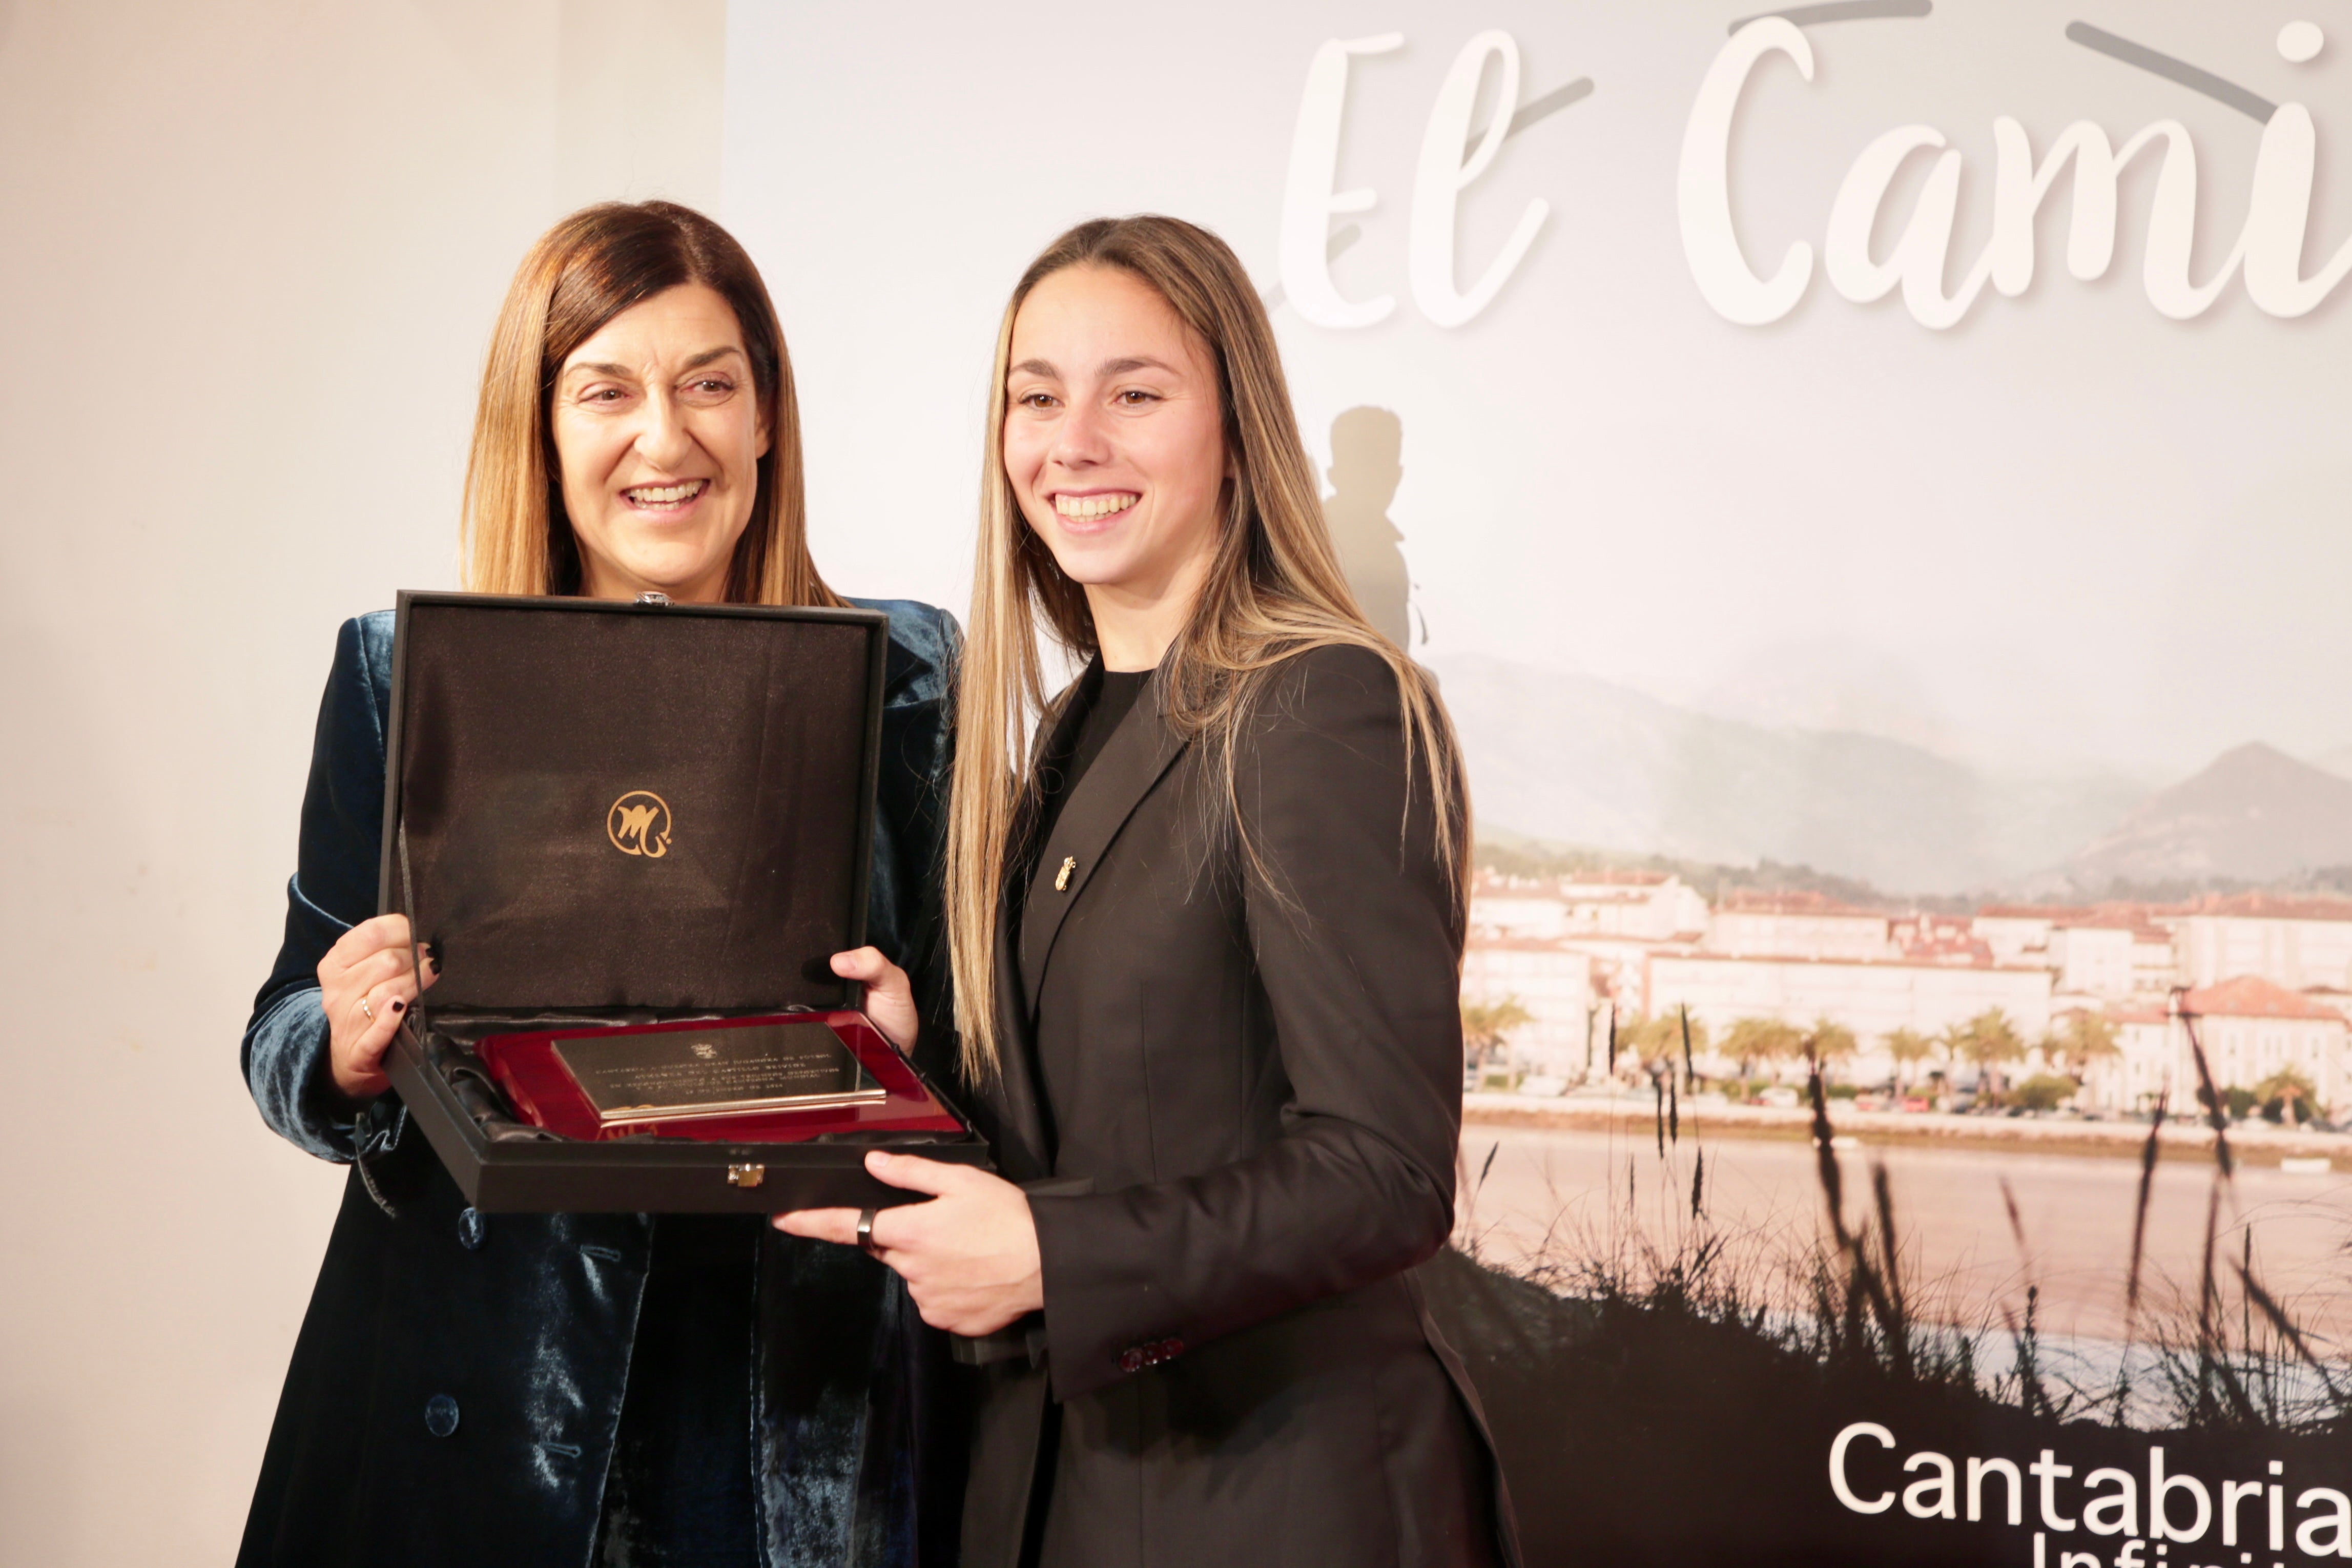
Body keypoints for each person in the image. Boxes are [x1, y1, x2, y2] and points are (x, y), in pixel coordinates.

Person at [777, 215, 1519, 1567]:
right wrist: (917, 1072)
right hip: (1075, 1496)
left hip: (1278, 1505)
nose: (1075, 440)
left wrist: (1057, 1260)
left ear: (1237, 429)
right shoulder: (1067, 731)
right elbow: (1106, 1120)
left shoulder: (1320, 705)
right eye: (1037, 395)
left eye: (1135, 392)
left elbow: (1384, 1170)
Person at [238, 201, 960, 1568]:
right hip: (497, 1383)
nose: (665, 436)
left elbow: (993, 1046)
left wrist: (919, 1051)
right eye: (607, 390)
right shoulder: (404, 678)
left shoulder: (913, 683)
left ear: (766, 417)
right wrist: (339, 1045)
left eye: (708, 384)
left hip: (783, 1390)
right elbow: (284, 1027)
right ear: (545, 428)